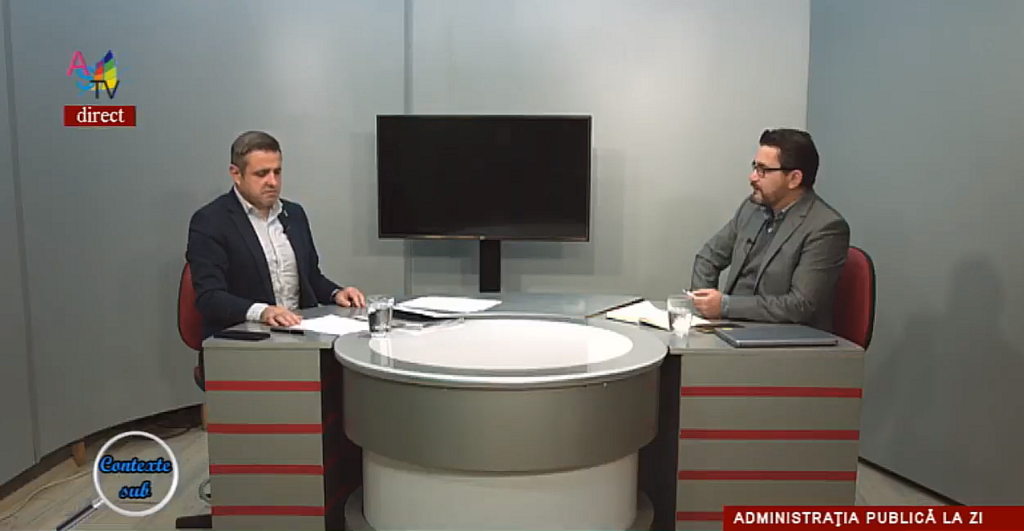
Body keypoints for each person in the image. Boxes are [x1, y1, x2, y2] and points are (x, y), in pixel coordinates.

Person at [187, 130, 366, 339]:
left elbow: (310, 278)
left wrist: (336, 294)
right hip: (246, 339)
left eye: (277, 172)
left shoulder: (294, 214)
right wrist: (263, 312)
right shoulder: (211, 221)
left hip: (301, 333)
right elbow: (209, 297)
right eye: (261, 174)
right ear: (236, 174)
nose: (272, 182)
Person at [689, 128, 849, 332]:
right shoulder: (752, 208)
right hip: (731, 328)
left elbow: (799, 305)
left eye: (763, 170)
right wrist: (704, 304)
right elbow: (708, 257)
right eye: (755, 167)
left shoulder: (825, 227)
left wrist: (725, 306)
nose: (752, 177)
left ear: (794, 179)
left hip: (785, 337)